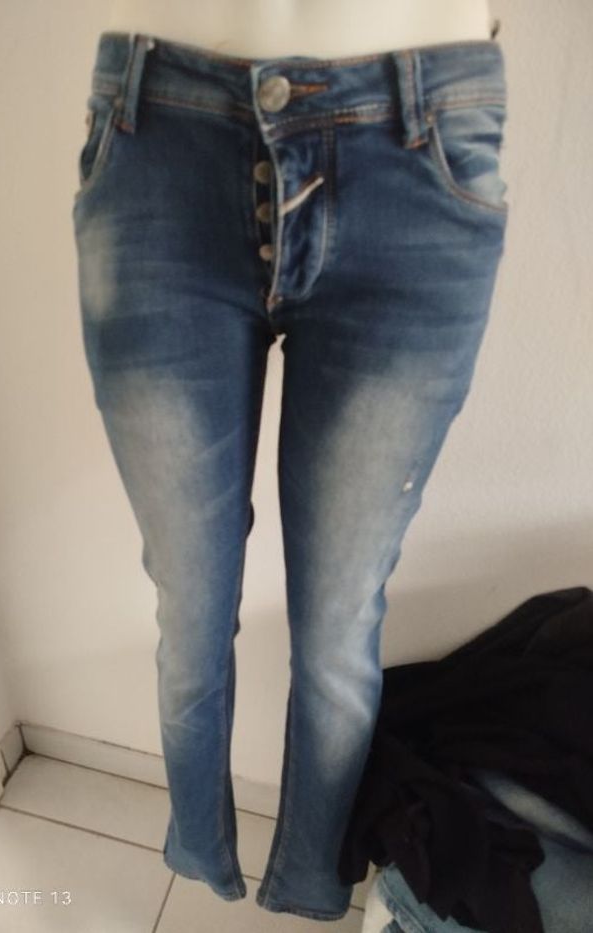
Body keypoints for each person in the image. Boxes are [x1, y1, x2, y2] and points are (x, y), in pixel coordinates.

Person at [72, 0, 509, 920]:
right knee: (191, 612)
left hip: (418, 148)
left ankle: (312, 883)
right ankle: (200, 851)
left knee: (339, 628)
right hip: (162, 135)